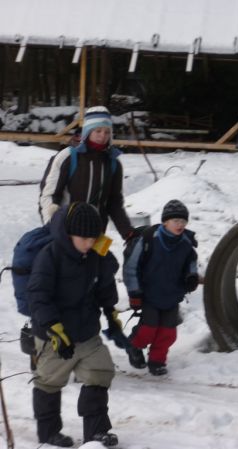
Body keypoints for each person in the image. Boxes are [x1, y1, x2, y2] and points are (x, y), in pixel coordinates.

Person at [28, 202, 122, 447]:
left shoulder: (96, 256)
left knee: (99, 374)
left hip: (87, 332)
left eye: (95, 237)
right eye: (84, 238)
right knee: (48, 382)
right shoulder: (49, 256)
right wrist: (53, 327)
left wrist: (111, 311)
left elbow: (105, 284)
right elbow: (38, 295)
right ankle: (49, 433)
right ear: (69, 233)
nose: (89, 243)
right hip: (54, 335)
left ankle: (96, 432)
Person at [123, 199, 200, 376]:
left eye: (183, 221)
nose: (180, 225)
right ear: (165, 222)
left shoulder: (186, 243)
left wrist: (191, 277)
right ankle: (134, 346)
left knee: (168, 332)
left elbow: (191, 264)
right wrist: (134, 292)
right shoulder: (150, 239)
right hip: (149, 294)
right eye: (175, 221)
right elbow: (131, 267)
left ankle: (157, 361)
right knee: (148, 329)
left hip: (172, 295)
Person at [39, 106, 134, 240]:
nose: (103, 136)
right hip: (66, 232)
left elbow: (114, 203)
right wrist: (52, 226)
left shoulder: (113, 163)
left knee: (100, 261)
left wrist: (127, 232)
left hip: (96, 234)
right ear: (88, 131)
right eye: (98, 131)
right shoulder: (67, 157)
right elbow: (49, 195)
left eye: (107, 132)